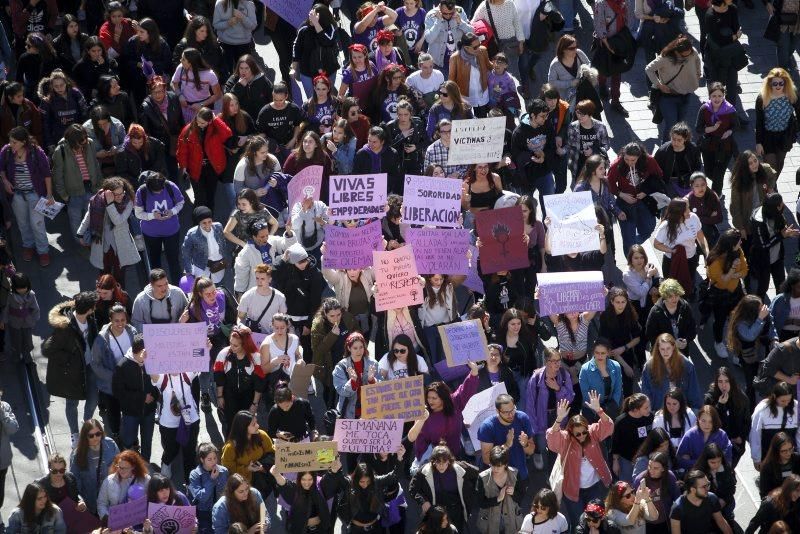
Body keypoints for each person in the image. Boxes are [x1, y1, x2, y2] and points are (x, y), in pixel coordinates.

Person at [546, 391, 615, 528]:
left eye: (584, 432)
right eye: (578, 434)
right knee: (579, 524)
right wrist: (558, 420)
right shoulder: (566, 439)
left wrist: (599, 411)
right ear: (571, 432)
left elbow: (608, 427)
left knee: (596, 521)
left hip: (594, 487)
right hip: (572, 490)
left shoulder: (592, 432)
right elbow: (551, 439)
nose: (582, 435)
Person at [43, 291, 99, 447]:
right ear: (89, 309)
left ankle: (86, 425)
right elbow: (48, 350)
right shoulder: (65, 327)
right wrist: (70, 360)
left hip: (89, 365)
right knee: (72, 403)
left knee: (93, 399)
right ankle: (75, 433)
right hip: (73, 372)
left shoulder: (90, 319)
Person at [0, 126, 53, 265]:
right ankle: (28, 245)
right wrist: (5, 181)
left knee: (37, 224)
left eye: (14, 142)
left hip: (35, 194)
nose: (11, 145)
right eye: (10, 141)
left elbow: (47, 174)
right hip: (17, 195)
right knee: (23, 224)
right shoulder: (6, 151)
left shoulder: (36, 152)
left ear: (23, 142)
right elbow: (1, 169)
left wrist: (49, 195)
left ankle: (43, 251)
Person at [78, 177, 141, 284]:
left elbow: (118, 221)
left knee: (120, 278)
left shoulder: (128, 202)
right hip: (102, 244)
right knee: (104, 277)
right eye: (116, 194)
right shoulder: (96, 200)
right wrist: (80, 233)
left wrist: (110, 204)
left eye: (122, 193)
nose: (121, 196)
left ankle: (120, 299)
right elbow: (88, 216)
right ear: (108, 193)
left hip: (120, 245)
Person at [411, 362, 480, 460]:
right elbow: (420, 441)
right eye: (428, 398)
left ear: (443, 398)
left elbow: (466, 389)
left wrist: (474, 371)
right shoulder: (425, 415)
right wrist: (421, 460)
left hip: (456, 455)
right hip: (436, 461)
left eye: (434, 398)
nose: (430, 401)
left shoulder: (454, 402)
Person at [606, 142, 665, 254]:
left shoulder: (649, 161)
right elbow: (609, 184)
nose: (629, 163)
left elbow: (658, 176)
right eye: (627, 159)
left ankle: (634, 244)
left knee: (649, 228)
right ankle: (631, 260)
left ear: (639, 157)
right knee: (628, 237)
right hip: (625, 203)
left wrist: (645, 191)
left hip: (644, 201)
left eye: (633, 160)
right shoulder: (617, 165)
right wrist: (621, 194)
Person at [90, 303, 136, 439]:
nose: (120, 323)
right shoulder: (101, 339)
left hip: (130, 381)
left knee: (130, 411)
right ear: (110, 320)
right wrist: (113, 376)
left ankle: (132, 437)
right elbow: (95, 364)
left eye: (123, 320)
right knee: (114, 411)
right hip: (111, 385)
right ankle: (115, 432)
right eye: (116, 320)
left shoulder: (132, 332)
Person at [112, 334, 159, 462]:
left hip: (149, 412)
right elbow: (118, 392)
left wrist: (154, 396)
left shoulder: (152, 361)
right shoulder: (122, 366)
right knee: (128, 441)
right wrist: (142, 397)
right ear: (138, 351)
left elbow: (159, 383)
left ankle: (145, 465)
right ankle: (128, 465)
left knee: (147, 441)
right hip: (130, 413)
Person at [51, 124, 101, 244]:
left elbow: (96, 165)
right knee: (76, 220)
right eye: (80, 142)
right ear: (72, 141)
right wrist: (64, 196)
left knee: (91, 217)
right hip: (73, 193)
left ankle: (89, 242)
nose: (84, 143)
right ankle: (81, 243)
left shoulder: (89, 143)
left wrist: (99, 185)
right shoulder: (61, 151)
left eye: (84, 139)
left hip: (91, 188)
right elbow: (57, 176)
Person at [645, 36, 702, 141]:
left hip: (686, 94)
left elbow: (697, 60)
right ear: (676, 52)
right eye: (683, 55)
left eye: (688, 54)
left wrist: (698, 73)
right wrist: (659, 85)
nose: (687, 56)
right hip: (668, 96)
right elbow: (649, 69)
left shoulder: (692, 52)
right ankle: (665, 149)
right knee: (671, 125)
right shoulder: (665, 58)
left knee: (679, 125)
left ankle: (677, 147)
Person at [176, 107, 232, 212]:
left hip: (212, 168)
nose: (199, 125)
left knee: (210, 197)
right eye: (198, 121)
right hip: (196, 168)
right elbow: (182, 151)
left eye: (202, 123)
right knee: (200, 198)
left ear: (209, 121)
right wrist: (183, 167)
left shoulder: (215, 127)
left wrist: (216, 120)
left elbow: (227, 134)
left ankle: (209, 220)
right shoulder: (188, 130)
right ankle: (198, 220)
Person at [408, 443, 474, 532]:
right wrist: (423, 501)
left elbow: (480, 476)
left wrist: (472, 496)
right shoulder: (424, 471)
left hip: (456, 512)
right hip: (436, 514)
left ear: (449, 461)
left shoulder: (460, 468)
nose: (441, 465)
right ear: (433, 461)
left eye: (444, 462)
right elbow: (413, 488)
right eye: (438, 462)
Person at [270, 457, 346, 534]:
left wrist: (335, 469)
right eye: (303, 479)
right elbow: (285, 485)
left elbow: (329, 479)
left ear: (314, 478)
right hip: (301, 530)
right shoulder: (296, 489)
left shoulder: (320, 485)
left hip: (319, 530)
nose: (307, 483)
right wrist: (276, 475)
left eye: (310, 479)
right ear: (299, 479)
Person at [477, 393, 535, 493]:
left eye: (513, 410)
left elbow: (531, 451)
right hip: (499, 479)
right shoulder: (487, 427)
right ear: (497, 411)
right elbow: (487, 459)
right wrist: (507, 445)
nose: (511, 414)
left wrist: (525, 444)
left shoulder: (523, 418)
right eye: (506, 412)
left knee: (518, 505)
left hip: (520, 474)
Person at [704, 228, 748, 358]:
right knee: (720, 320)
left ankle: (735, 345)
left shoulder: (738, 251)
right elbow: (722, 283)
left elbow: (745, 270)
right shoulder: (714, 259)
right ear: (731, 245)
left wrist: (732, 275)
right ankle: (718, 343)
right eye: (739, 241)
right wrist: (733, 269)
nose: (741, 243)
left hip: (736, 291)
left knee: (737, 319)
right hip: (720, 295)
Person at [213, 326, 265, 432]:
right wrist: (219, 396)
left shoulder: (255, 358)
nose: (231, 347)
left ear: (244, 345)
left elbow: (259, 383)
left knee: (247, 426)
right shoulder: (223, 354)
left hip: (248, 396)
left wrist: (255, 404)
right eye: (230, 343)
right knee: (230, 425)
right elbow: (219, 378)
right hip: (229, 395)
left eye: (235, 345)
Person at [750, 193, 800, 299]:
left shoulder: (775, 213)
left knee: (781, 285)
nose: (784, 205)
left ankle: (780, 306)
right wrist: (781, 235)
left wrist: (786, 232)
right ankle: (759, 305)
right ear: (776, 208)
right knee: (763, 286)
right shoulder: (758, 221)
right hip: (763, 259)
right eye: (781, 205)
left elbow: (782, 226)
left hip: (777, 257)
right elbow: (763, 244)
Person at [755, 67, 799, 177]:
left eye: (781, 83)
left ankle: (771, 187)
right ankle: (770, 188)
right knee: (771, 166)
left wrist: (796, 129)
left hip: (785, 135)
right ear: (770, 84)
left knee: (779, 163)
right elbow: (759, 122)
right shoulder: (762, 98)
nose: (778, 86)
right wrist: (758, 142)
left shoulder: (792, 94)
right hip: (768, 136)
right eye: (775, 84)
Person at [220, 410, 275, 498]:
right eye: (253, 424)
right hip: (244, 488)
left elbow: (272, 452)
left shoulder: (262, 435)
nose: (258, 426)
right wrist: (247, 469)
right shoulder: (230, 447)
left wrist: (263, 467)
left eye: (256, 422)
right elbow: (227, 470)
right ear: (243, 428)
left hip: (264, 482)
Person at [599, 287, 643, 397]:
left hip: (626, 351)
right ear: (612, 302)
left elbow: (637, 338)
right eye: (617, 302)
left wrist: (624, 348)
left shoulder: (630, 313)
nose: (621, 305)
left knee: (628, 388)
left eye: (623, 302)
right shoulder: (605, 316)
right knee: (612, 388)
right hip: (610, 355)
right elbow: (606, 345)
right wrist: (625, 366)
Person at [704, 367, 751, 466]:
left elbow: (747, 421)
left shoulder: (741, 398)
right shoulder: (711, 398)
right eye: (720, 381)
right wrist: (720, 406)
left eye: (726, 381)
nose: (723, 385)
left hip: (736, 445)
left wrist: (741, 437)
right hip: (716, 444)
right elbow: (708, 421)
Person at [641, 333, 702, 410]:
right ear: (658, 349)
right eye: (662, 349)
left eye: (668, 348)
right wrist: (648, 412)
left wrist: (696, 410)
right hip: (659, 410)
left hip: (681, 410)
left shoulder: (686, 365)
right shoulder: (649, 366)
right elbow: (646, 392)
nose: (665, 352)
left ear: (673, 347)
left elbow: (693, 390)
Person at [749, 382, 800, 468]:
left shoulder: (796, 407)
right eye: (783, 401)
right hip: (769, 455)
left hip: (790, 455)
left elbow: (799, 433)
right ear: (775, 397)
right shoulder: (762, 409)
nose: (786, 403)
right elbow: (755, 435)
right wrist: (756, 458)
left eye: (789, 400)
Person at [475, 445, 524, 534]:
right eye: (492, 465)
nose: (495, 469)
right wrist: (497, 499)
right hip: (490, 520)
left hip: (511, 519)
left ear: (505, 464)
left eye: (499, 466)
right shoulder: (482, 478)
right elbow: (480, 503)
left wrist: (514, 493)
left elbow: (520, 498)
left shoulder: (515, 474)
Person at [669, 469, 733, 534]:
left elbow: (722, 523)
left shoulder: (712, 498)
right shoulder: (678, 508)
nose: (708, 488)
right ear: (693, 489)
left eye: (708, 484)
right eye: (704, 487)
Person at [96, 449, 151, 522]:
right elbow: (101, 503)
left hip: (137, 523)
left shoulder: (146, 480)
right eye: (119, 467)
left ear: (133, 467)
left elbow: (151, 502)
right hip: (115, 522)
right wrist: (107, 518)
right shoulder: (108, 481)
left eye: (124, 468)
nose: (120, 470)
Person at [182, 206, 231, 285]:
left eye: (209, 221)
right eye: (204, 223)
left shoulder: (218, 227)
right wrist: (188, 271)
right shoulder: (192, 234)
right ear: (199, 223)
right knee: (203, 290)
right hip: (201, 268)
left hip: (219, 266)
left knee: (220, 287)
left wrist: (225, 259)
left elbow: (223, 243)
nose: (208, 225)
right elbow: (186, 253)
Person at [172, 48, 222, 124]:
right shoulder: (180, 68)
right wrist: (180, 95)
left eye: (183, 59)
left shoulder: (210, 74)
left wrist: (201, 105)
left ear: (190, 63)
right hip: (184, 106)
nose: (180, 60)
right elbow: (174, 83)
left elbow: (218, 95)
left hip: (202, 108)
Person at [611, 394, 654, 483]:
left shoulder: (650, 417)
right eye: (646, 408)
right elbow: (615, 444)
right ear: (635, 409)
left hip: (644, 459)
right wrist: (615, 462)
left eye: (649, 406)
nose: (649, 409)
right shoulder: (621, 422)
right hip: (627, 461)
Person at [188, 442, 230, 532]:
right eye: (209, 459)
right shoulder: (195, 475)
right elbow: (201, 497)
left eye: (215, 458)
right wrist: (211, 480)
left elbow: (227, 492)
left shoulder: (224, 471)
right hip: (204, 511)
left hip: (221, 509)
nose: (214, 461)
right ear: (202, 460)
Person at [676, 405, 733, 470]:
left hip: (717, 473)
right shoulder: (690, 435)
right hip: (695, 474)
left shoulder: (722, 436)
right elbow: (680, 460)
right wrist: (702, 464)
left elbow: (727, 460)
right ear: (698, 419)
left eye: (710, 421)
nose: (707, 425)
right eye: (703, 421)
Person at [448, 32, 492, 117]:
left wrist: (500, 65)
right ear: (466, 48)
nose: (479, 48)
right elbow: (451, 81)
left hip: (481, 94)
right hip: (465, 97)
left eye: (479, 44)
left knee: (482, 120)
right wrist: (455, 98)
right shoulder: (455, 58)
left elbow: (489, 66)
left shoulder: (483, 51)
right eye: (475, 47)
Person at [423, 1, 472, 72]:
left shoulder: (460, 11)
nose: (448, 16)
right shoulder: (431, 15)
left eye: (451, 13)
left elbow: (472, 34)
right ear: (439, 9)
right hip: (438, 64)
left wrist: (461, 22)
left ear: (454, 9)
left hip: (458, 61)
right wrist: (438, 22)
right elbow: (429, 39)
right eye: (445, 14)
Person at [579, 338, 623, 419]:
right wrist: (598, 410)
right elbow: (586, 394)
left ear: (608, 353)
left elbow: (618, 389)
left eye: (603, 353)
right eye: (597, 353)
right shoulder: (585, 369)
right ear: (593, 352)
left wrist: (613, 406)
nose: (599, 356)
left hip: (611, 409)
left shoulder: (616, 366)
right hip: (591, 411)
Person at [352, 126, 403, 195]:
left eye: (374, 142)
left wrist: (382, 183)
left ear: (382, 142)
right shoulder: (360, 154)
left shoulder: (392, 154)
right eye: (369, 140)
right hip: (365, 192)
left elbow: (395, 174)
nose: (370, 144)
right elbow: (355, 174)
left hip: (385, 191)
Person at [567, 100, 610, 181]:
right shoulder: (573, 127)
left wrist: (593, 150)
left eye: (582, 115)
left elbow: (606, 146)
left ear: (590, 114)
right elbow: (569, 145)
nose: (579, 116)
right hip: (578, 164)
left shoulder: (600, 127)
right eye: (577, 113)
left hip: (596, 165)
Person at [238, 264, 288, 334]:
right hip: (254, 336)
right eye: (257, 278)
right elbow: (240, 318)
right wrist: (242, 326)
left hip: (273, 337)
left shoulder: (280, 297)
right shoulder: (247, 296)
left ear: (270, 279)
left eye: (262, 279)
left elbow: (284, 319)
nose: (259, 281)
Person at [172, 16, 225, 81]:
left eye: (206, 31)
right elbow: (177, 63)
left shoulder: (213, 44)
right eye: (202, 31)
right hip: (190, 80)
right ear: (194, 30)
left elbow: (220, 63)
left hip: (209, 79)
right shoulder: (184, 45)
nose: (205, 34)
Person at [692, 443, 736, 520]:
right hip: (706, 505)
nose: (716, 465)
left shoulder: (726, 469)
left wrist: (724, 500)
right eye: (712, 462)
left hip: (725, 502)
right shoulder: (699, 472)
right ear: (706, 461)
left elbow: (732, 488)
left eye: (719, 461)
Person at [224, 55, 273, 122]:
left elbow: (272, 98)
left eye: (247, 68)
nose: (243, 71)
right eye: (241, 68)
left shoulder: (262, 80)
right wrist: (239, 86)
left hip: (260, 118)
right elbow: (227, 99)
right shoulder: (233, 79)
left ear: (252, 68)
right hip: (240, 119)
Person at [547, 34, 591, 106]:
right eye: (572, 48)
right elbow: (551, 82)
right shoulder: (555, 64)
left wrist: (585, 70)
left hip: (583, 93)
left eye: (576, 47)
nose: (575, 50)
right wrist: (570, 83)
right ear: (563, 49)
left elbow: (588, 63)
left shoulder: (579, 53)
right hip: (567, 99)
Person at [757, 432, 800, 498]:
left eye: (790, 449)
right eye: (784, 451)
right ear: (776, 451)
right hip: (778, 501)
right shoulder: (767, 467)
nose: (788, 453)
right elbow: (764, 494)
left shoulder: (797, 459)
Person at [684, 173, 722, 247]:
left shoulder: (712, 195)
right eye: (697, 186)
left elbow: (719, 218)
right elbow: (686, 221)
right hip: (693, 235)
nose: (700, 188)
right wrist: (709, 216)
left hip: (710, 233)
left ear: (706, 184)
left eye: (703, 184)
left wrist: (697, 219)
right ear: (692, 187)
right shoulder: (687, 200)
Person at [768, 269, 800, 341]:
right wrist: (792, 321)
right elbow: (770, 320)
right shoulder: (780, 300)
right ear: (792, 286)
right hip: (784, 335)